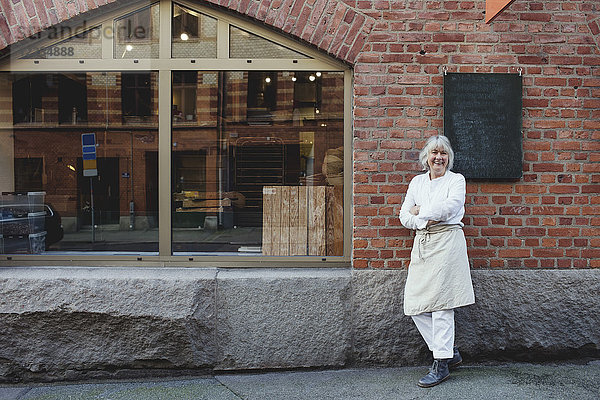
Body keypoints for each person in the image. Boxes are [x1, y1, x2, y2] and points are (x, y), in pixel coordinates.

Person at [399, 135, 475, 388]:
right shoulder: (417, 182)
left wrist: (421, 210)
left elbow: (451, 208)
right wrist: (421, 217)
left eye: (443, 153)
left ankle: (441, 363)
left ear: (448, 157)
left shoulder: (456, 180)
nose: (438, 157)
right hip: (423, 245)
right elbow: (403, 216)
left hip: (447, 243)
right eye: (434, 153)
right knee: (414, 304)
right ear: (426, 157)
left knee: (442, 304)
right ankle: (448, 352)